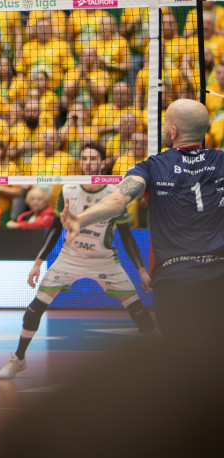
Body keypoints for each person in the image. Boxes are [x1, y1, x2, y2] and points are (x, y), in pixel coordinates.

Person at [62, 99, 224, 343]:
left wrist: (80, 219)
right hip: (219, 275)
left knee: (180, 357)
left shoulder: (152, 167)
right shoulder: (221, 160)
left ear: (173, 131)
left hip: (175, 279)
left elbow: (117, 201)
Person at [0, 143, 156, 380]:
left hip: (105, 260)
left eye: (93, 159)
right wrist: (38, 263)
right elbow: (54, 229)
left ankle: (162, 357)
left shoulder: (115, 194)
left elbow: (126, 234)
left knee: (138, 311)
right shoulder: (68, 189)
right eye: (84, 158)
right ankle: (18, 358)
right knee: (34, 310)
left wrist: (142, 271)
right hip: (70, 258)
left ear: (102, 163)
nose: (88, 163)